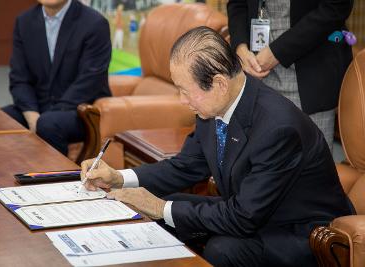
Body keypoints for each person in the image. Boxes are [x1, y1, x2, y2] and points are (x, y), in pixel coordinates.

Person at [80, 27, 353, 266]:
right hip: (254, 212)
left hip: (301, 232)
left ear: (219, 83)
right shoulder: (213, 109)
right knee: (164, 210)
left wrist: (159, 206)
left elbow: (244, 218)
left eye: (185, 90)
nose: (182, 99)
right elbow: (185, 166)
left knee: (222, 248)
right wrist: (119, 178)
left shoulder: (278, 128)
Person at [227, 0, 353, 151]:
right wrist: (240, 47)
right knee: (258, 160)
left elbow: (336, 6)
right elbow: (237, 3)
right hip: (253, 71)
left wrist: (277, 52)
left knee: (309, 166)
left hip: (310, 74)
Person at [2, 0, 111, 155]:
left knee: (49, 124)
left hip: (79, 110)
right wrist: (31, 114)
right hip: (38, 106)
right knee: (1, 119)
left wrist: (43, 119)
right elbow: (19, 78)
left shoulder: (95, 23)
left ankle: (58, 178)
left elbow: (90, 80)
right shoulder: (24, 21)